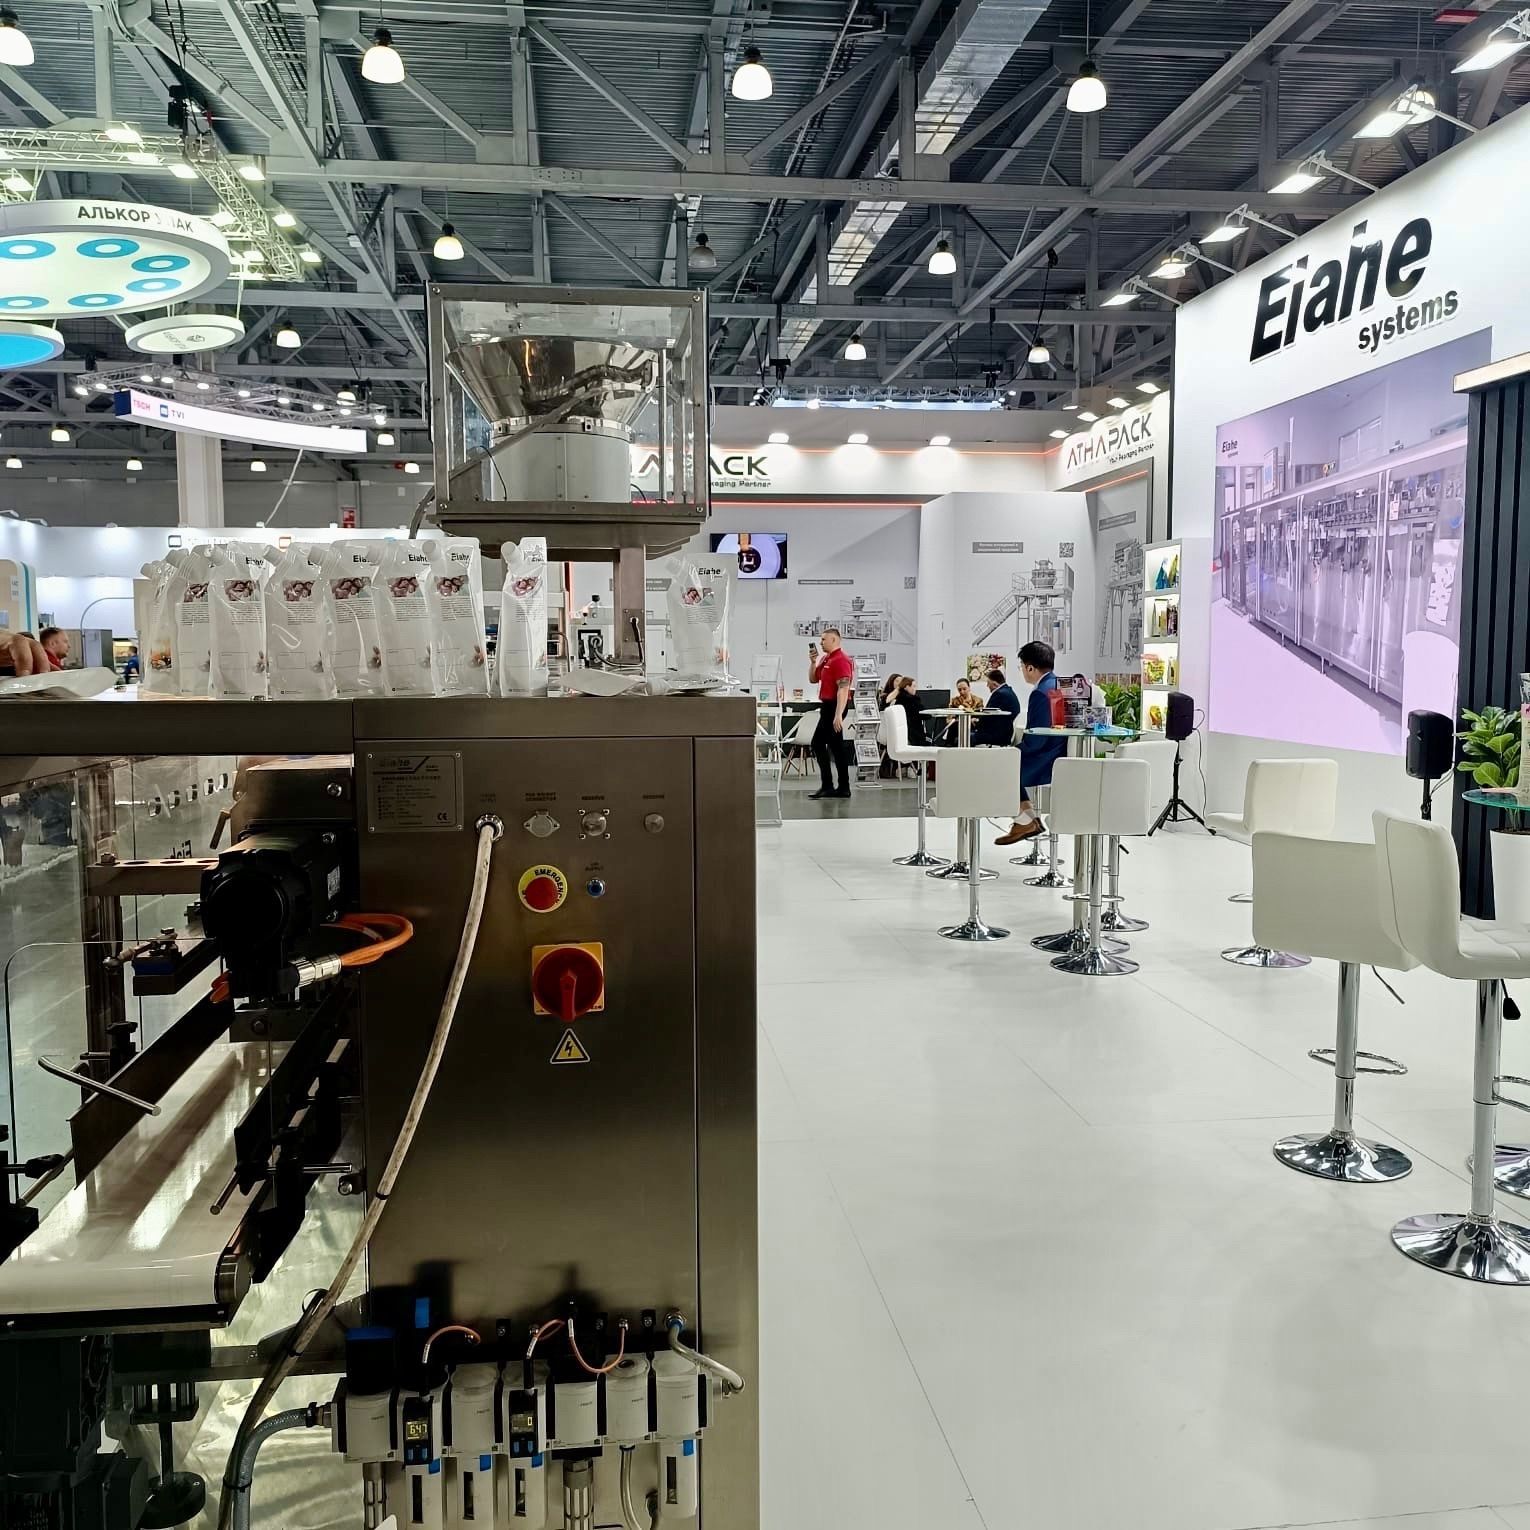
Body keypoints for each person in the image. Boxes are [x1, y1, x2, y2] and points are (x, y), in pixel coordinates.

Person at [996, 640, 1067, 844]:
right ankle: (1027, 820)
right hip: (1057, 752)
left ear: (1030, 668)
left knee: (998, 765)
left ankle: (1025, 820)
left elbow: (1037, 739)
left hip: (1045, 757)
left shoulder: (1040, 693)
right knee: (1005, 761)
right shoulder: (1058, 684)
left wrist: (1014, 750)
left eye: (1022, 667)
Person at [807, 627, 855, 799]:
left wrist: (838, 714)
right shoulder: (826, 658)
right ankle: (843, 787)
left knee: (818, 743)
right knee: (836, 746)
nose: (820, 643)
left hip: (835, 706)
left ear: (834, 640)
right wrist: (813, 662)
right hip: (827, 706)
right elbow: (813, 679)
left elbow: (843, 688)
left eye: (823, 639)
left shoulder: (841, 660)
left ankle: (829, 785)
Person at [971, 667, 1020, 747]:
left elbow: (987, 716)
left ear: (994, 684)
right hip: (1004, 733)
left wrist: (976, 722)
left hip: (997, 736)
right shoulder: (1008, 691)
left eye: (988, 683)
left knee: (963, 738)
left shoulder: (999, 694)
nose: (987, 685)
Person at [937, 676, 983, 744]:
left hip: (972, 726)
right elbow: (949, 719)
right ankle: (949, 745)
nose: (962, 692)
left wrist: (972, 720)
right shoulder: (954, 701)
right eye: (959, 690)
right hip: (957, 726)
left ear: (969, 687)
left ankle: (949, 744)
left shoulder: (978, 700)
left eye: (964, 689)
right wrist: (957, 720)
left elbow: (980, 718)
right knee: (954, 726)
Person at [891, 675, 927, 747]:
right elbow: (925, 715)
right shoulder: (913, 700)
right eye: (914, 686)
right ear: (907, 687)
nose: (915, 689)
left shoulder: (898, 699)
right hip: (914, 735)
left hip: (901, 734)